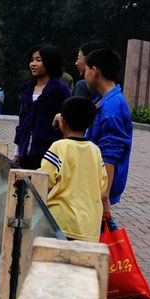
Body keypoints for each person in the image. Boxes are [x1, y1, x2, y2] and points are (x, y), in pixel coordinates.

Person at [84, 45, 133, 299]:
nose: (84, 72)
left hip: (100, 186)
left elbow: (110, 155)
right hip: (96, 184)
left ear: (96, 70)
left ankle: (107, 298)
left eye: (86, 67)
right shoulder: (106, 101)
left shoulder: (112, 106)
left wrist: (104, 198)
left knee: (98, 240)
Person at [40, 97, 108, 242]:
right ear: (91, 123)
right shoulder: (95, 151)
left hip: (59, 222)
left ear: (62, 122)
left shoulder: (58, 147)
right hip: (89, 226)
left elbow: (43, 180)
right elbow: (102, 186)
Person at [13, 44, 71, 169]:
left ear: (50, 62)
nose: (33, 64)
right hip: (25, 154)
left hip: (49, 155)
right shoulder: (27, 89)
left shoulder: (61, 91)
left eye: (38, 60)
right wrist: (17, 151)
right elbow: (22, 123)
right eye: (32, 60)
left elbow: (67, 123)